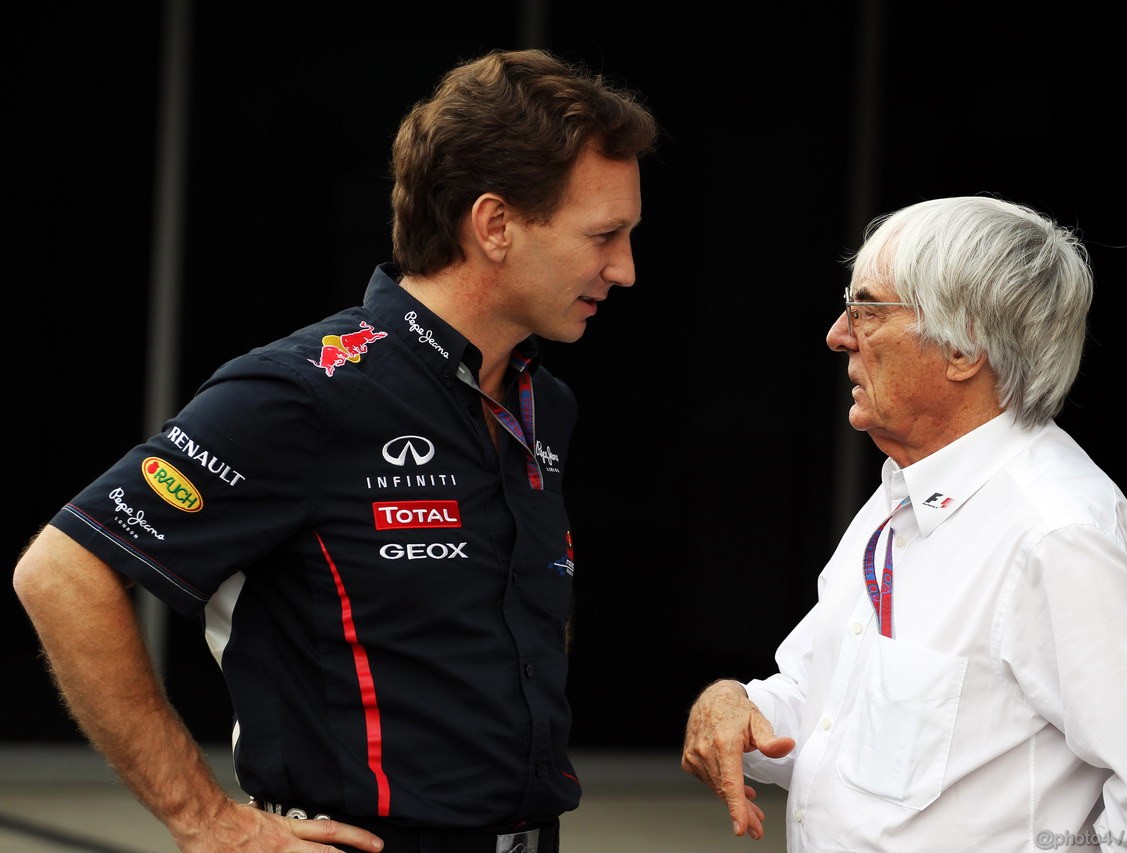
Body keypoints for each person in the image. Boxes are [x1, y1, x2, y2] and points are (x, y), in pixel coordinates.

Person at [13, 48, 656, 853]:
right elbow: (61, 572)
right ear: (494, 225)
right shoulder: (306, 390)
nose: (624, 269)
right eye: (605, 235)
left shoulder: (541, 403)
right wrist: (206, 821)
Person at [681, 196, 1127, 852]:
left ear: (963, 345)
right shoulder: (901, 494)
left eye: (866, 307)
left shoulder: (1053, 531)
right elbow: (828, 711)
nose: (839, 332)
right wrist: (733, 706)